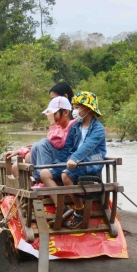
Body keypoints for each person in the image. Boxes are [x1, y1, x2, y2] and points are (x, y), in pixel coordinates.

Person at [43, 91, 107, 228]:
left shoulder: (98, 129)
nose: (74, 111)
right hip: (74, 162)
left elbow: (88, 146)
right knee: (45, 174)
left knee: (66, 175)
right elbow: (67, 148)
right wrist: (57, 164)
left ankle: (79, 209)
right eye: (74, 107)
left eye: (77, 107)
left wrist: (75, 159)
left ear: (87, 109)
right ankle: (63, 209)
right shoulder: (75, 127)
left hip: (92, 161)